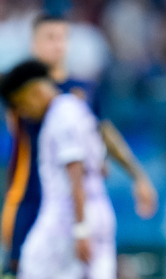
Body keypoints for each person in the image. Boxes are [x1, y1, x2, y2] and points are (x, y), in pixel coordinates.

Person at [1, 14, 157, 276]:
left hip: (69, 200)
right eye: (49, 38)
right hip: (31, 194)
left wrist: (136, 175)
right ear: (33, 44)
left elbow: (103, 133)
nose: (57, 45)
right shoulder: (19, 87)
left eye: (62, 37)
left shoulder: (80, 91)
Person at [0, 60, 116, 278]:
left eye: (22, 105)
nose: (25, 113)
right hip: (97, 210)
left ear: (34, 92)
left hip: (67, 216)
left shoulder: (61, 116)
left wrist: (81, 228)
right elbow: (100, 165)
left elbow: (76, 171)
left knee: (32, 265)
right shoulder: (77, 107)